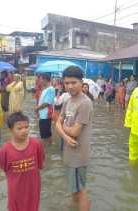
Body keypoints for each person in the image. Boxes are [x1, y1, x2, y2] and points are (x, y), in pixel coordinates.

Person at [56, 66, 93, 211]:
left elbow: (75, 131)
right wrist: (65, 136)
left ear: (81, 82)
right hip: (68, 150)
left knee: (81, 190)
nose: (70, 86)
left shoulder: (85, 103)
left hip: (78, 154)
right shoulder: (68, 100)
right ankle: (73, 206)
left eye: (73, 82)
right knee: (73, 187)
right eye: (67, 83)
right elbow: (57, 122)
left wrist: (63, 127)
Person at [0, 112, 45, 211]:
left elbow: (40, 165)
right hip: (15, 190)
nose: (24, 131)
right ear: (10, 130)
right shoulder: (5, 150)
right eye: (19, 128)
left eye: (26, 127)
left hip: (33, 189)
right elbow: (5, 168)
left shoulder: (37, 144)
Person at [35, 74, 55, 144]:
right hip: (43, 113)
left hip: (46, 114)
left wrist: (37, 108)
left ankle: (44, 149)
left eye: (41, 79)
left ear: (45, 80)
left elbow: (47, 103)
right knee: (46, 131)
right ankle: (50, 144)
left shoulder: (50, 89)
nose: (39, 81)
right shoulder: (46, 89)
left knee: (44, 133)